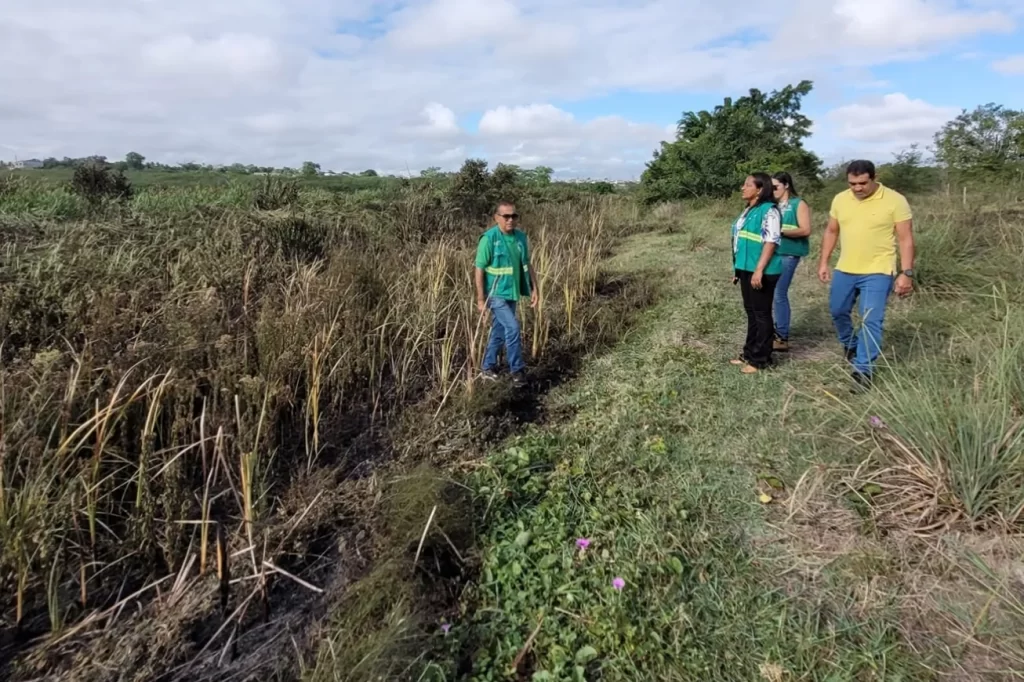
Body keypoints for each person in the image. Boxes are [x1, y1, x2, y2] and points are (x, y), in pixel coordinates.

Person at [818, 159, 915, 389]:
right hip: (846, 268)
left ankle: (863, 370)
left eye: (863, 183)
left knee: (871, 319)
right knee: (837, 310)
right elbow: (832, 231)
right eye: (853, 183)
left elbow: (906, 238)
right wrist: (823, 262)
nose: (857, 188)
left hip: (879, 270)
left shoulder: (895, 200)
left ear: (874, 177)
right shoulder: (841, 199)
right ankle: (850, 343)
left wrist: (906, 272)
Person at [474, 200, 539, 386]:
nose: (510, 219)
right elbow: (479, 269)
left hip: (512, 291)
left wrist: (535, 288)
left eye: (514, 216)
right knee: (513, 328)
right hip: (495, 294)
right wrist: (480, 299)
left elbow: (527, 264)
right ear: (497, 218)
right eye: (506, 216)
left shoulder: (520, 237)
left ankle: (487, 367)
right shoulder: (489, 239)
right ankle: (517, 371)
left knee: (499, 331)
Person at [730, 173, 783, 374]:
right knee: (751, 313)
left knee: (761, 314)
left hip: (762, 270)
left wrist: (759, 270)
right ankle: (749, 353)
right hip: (746, 269)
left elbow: (771, 241)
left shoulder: (769, 211)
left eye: (747, 185)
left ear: (760, 189)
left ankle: (761, 359)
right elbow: (739, 240)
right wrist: (738, 269)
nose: (743, 188)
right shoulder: (749, 210)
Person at [770, 172, 812, 353]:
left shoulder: (798, 204)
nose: (773, 191)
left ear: (786, 185)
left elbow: (805, 230)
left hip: (788, 253)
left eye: (776, 187)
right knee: (770, 293)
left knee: (779, 292)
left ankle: (782, 336)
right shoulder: (772, 205)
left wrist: (780, 231)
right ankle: (773, 332)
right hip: (771, 252)